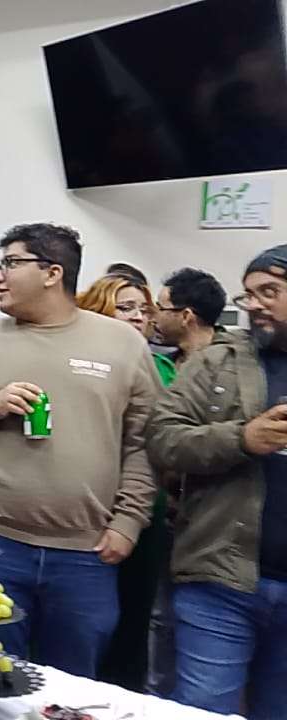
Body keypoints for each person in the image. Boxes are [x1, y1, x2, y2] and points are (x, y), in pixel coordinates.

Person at [0, 223, 160, 678]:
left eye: (11, 263)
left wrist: (128, 522)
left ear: (52, 273)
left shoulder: (122, 343)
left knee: (69, 690)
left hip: (86, 554)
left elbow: (144, 442)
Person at [145, 245, 287, 720]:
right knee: (204, 711)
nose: (255, 305)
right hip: (221, 580)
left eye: (270, 292)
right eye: (248, 295)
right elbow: (162, 438)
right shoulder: (218, 362)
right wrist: (242, 439)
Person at [76, 273, 175, 691]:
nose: (137, 316)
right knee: (85, 626)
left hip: (142, 510)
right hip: (85, 508)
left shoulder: (163, 367)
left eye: (143, 309)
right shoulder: (78, 361)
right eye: (125, 307)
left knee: (133, 619)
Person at [140, 266, 226, 697]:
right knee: (159, 619)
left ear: (186, 315)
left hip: (213, 524)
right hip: (160, 515)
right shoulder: (158, 364)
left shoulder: (234, 371)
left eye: (161, 307)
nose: (153, 317)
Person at [153, 267, 227, 366]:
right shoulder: (161, 366)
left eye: (160, 309)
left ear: (186, 316)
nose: (153, 319)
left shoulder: (231, 365)